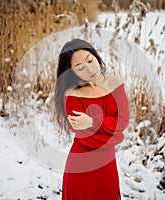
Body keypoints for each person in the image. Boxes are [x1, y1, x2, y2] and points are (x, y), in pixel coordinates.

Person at [54, 38, 129, 200]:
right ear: (71, 72)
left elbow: (122, 121)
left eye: (90, 60)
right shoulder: (72, 95)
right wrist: (111, 130)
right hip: (82, 167)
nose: (89, 69)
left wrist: (92, 122)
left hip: (107, 164)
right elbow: (87, 139)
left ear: (95, 55)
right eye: (80, 67)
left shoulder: (115, 83)